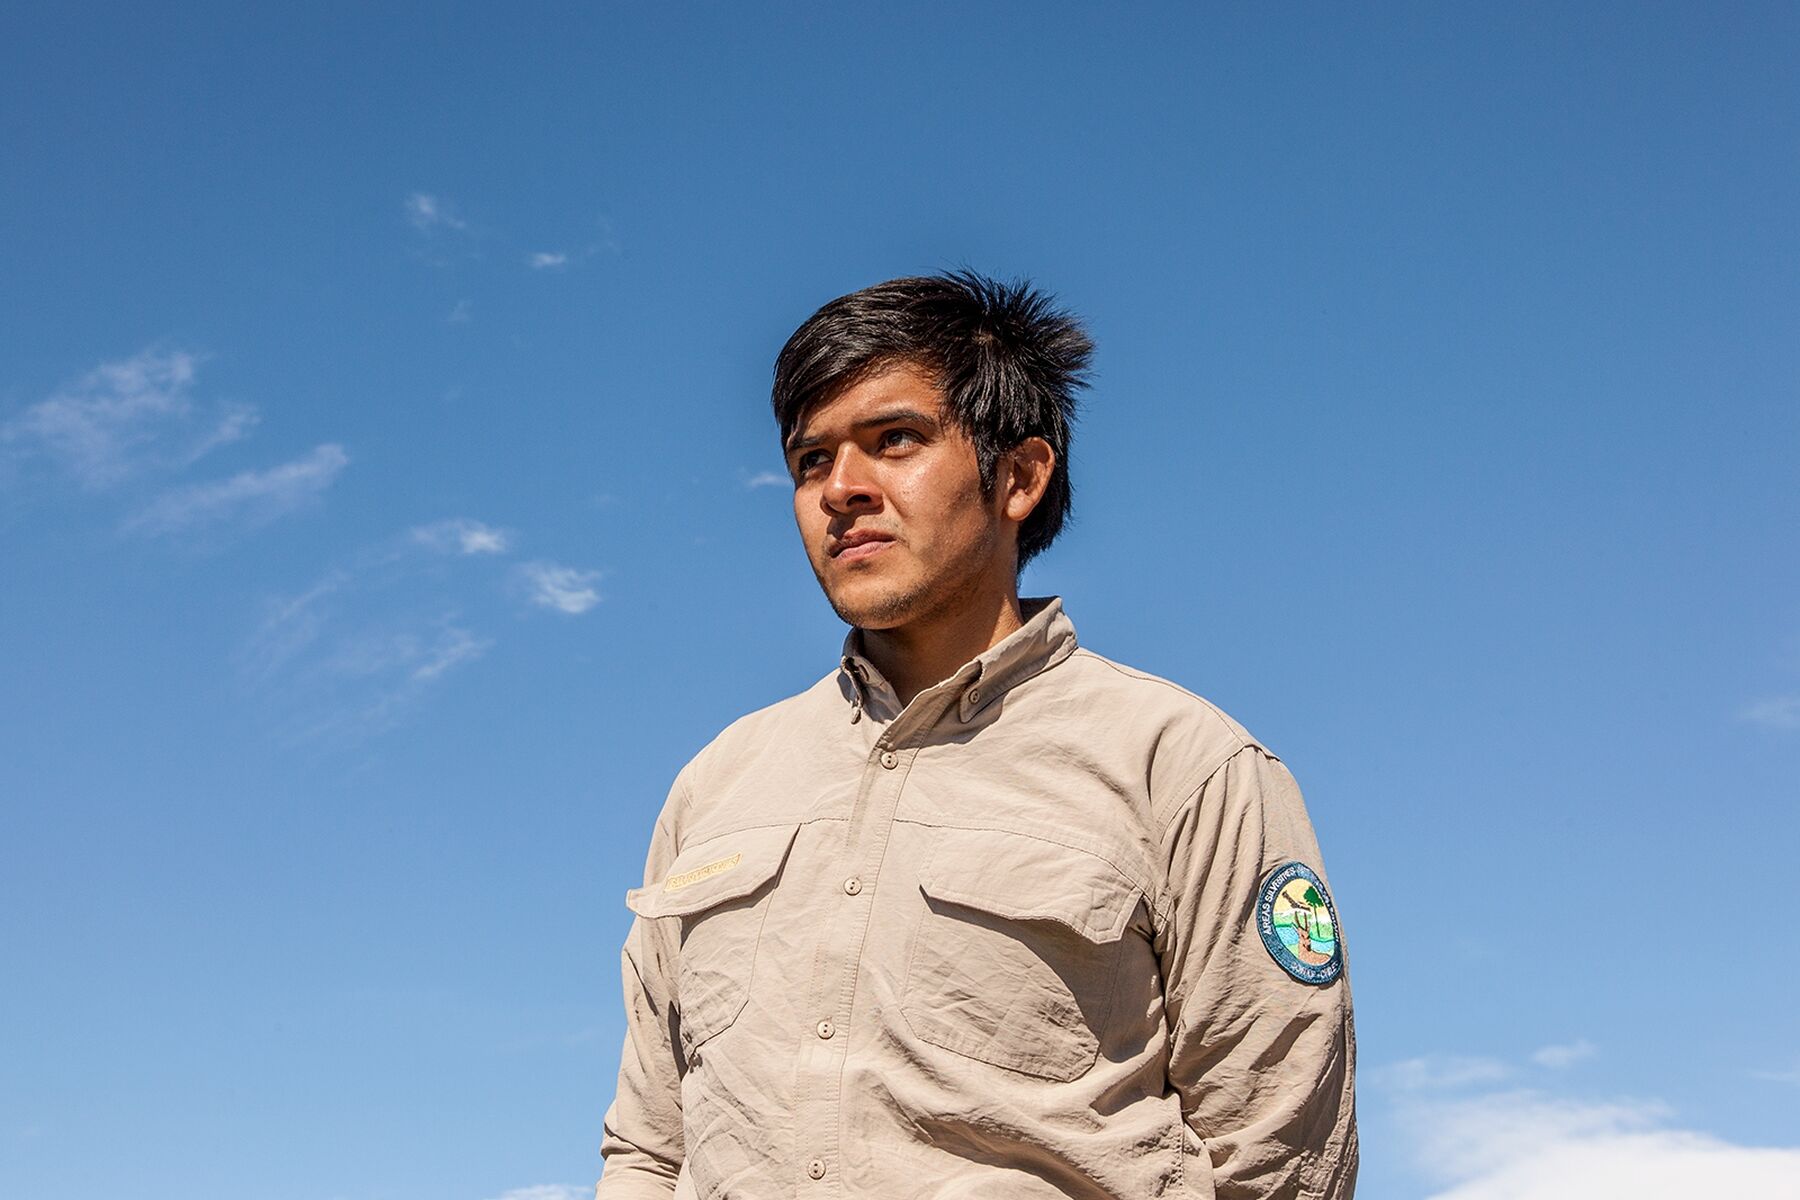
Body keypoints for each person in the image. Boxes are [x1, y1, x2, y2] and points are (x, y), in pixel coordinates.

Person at [595, 270, 1357, 1199]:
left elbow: (1279, 1156)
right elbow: (650, 1148)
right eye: (811, 461)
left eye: (895, 440)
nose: (842, 490)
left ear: (1020, 476)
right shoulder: (717, 785)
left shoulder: (1186, 765)